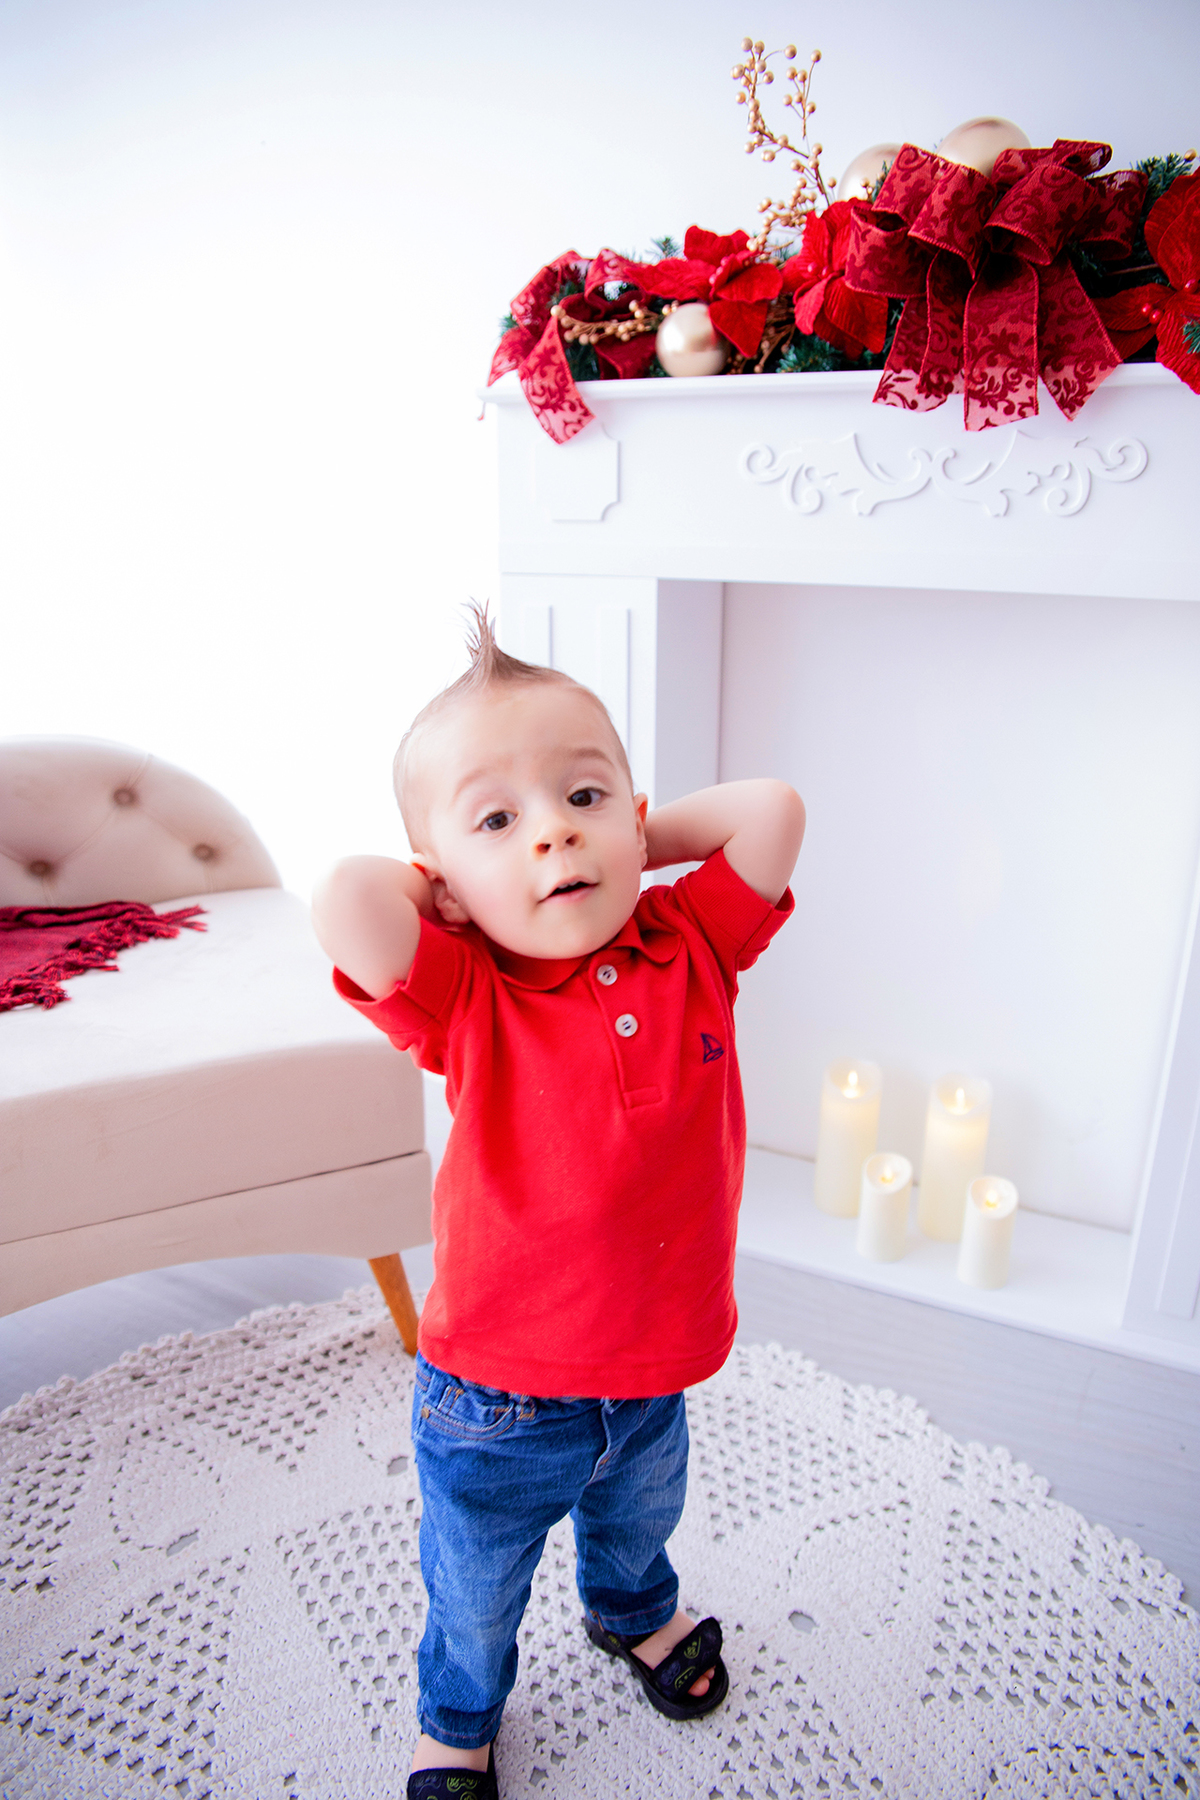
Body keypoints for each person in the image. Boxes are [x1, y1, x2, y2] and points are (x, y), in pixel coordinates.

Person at [312, 609, 804, 1800]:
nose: (554, 833)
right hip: (498, 1395)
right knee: (478, 1584)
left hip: (651, 1364)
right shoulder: (469, 995)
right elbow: (344, 901)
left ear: (633, 816)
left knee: (639, 1518)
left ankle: (632, 1611)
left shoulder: (691, 941)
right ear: (444, 884)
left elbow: (774, 811)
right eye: (499, 820)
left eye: (583, 796)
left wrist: (633, 837)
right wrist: (447, 894)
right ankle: (458, 1718)